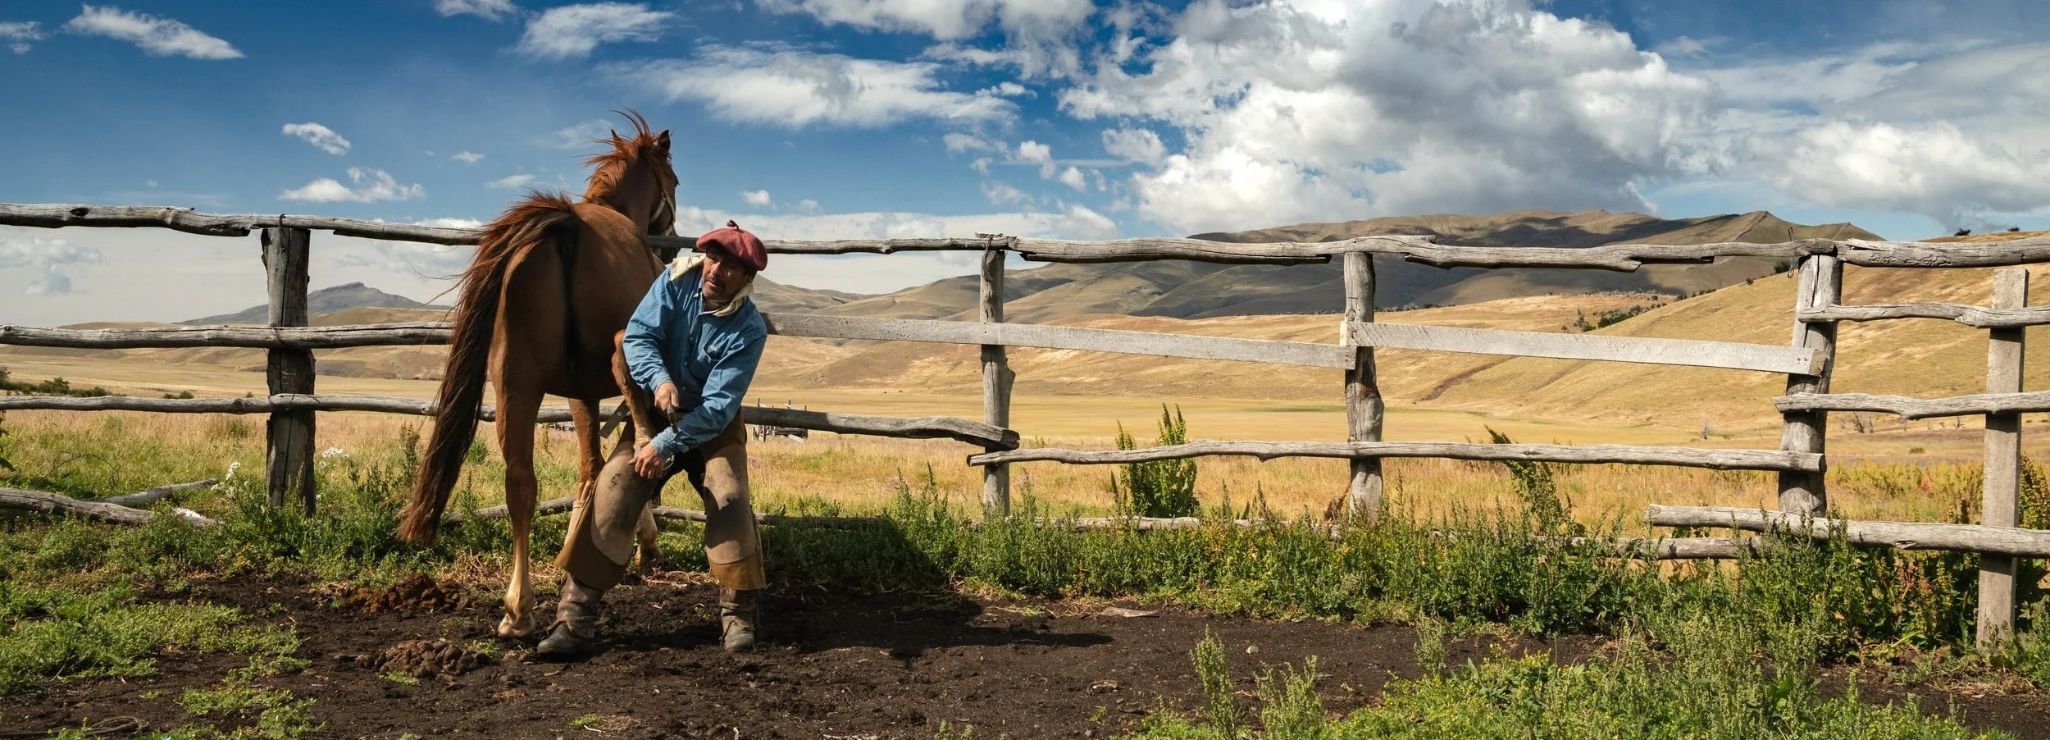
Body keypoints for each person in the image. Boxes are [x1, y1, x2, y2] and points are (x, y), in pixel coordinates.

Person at [537, 220, 770, 658]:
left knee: (730, 495)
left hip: (710, 426)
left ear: (747, 278)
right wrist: (659, 380)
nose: (717, 271)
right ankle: (574, 616)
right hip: (656, 413)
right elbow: (638, 336)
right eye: (714, 258)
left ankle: (737, 614)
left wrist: (664, 446)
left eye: (731, 267)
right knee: (615, 486)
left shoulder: (748, 328)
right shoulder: (675, 281)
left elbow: (719, 406)